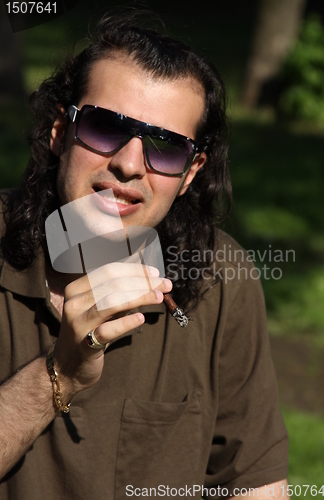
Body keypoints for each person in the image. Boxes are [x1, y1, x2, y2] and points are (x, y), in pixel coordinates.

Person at [0, 9, 288, 499]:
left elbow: (253, 484)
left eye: (166, 147)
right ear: (58, 131)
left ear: (191, 172)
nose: (130, 164)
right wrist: (61, 374)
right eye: (105, 127)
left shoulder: (221, 277)